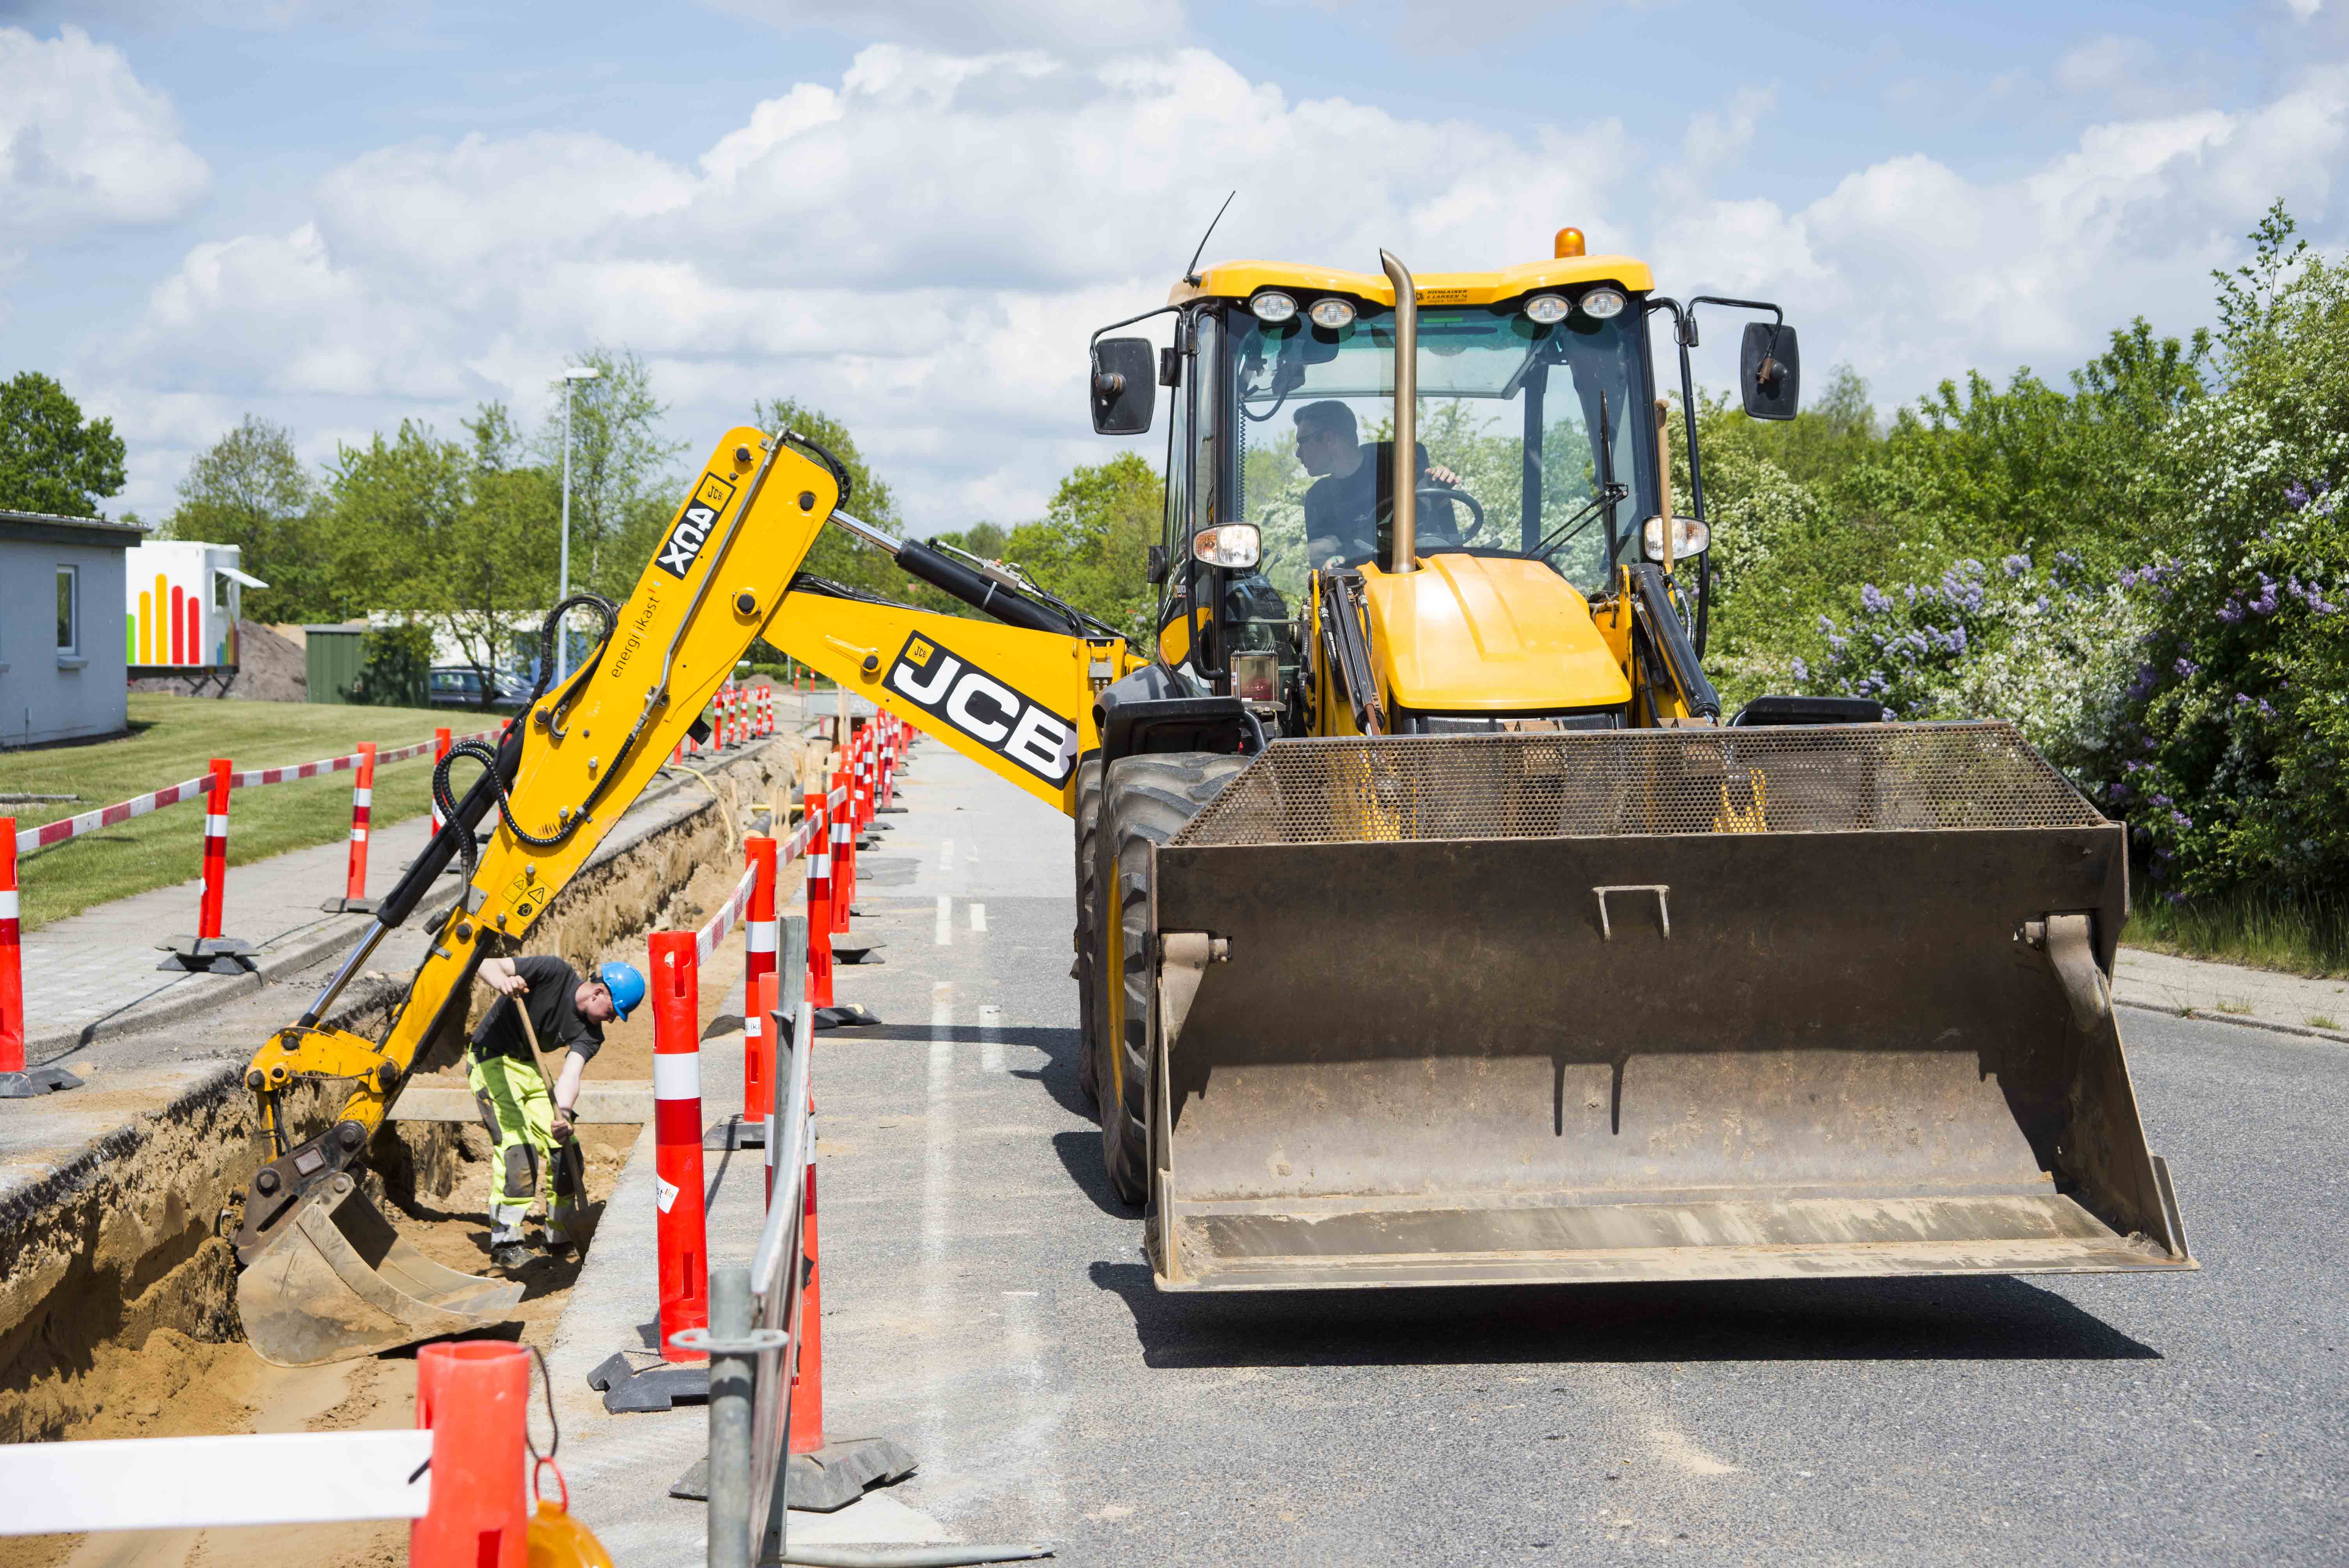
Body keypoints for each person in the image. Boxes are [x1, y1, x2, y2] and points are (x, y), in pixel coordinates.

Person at [468, 954, 646, 1268]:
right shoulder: (554, 972)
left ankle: (561, 1237)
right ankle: (506, 1244)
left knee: (566, 1149)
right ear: (598, 993)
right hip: (491, 1059)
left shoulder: (591, 1035)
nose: (612, 1020)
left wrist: (562, 1115)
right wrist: (503, 982)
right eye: (612, 1012)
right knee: (517, 1150)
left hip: (529, 1068)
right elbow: (483, 962)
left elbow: (570, 1075)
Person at [1293, 400, 1462, 567]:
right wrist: (1328, 562)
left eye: (1303, 442)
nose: (1298, 453)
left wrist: (1440, 484)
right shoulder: (1318, 497)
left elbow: (1434, 518)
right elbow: (1321, 562)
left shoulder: (1397, 466)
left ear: (1329, 439)